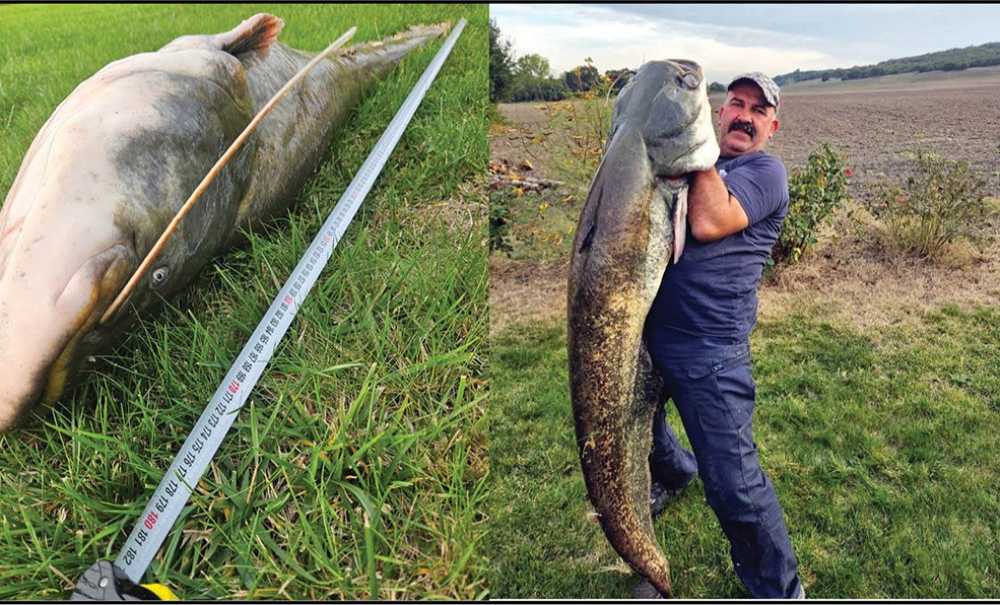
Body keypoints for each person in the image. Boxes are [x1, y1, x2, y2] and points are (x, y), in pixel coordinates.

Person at [641, 72, 804, 599]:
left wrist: (695, 148)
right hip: (651, 333)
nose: (744, 116)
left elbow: (710, 221)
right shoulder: (697, 167)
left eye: (758, 110)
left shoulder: (766, 172)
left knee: (735, 484)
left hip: (709, 349)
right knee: (640, 428)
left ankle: (779, 590)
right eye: (736, 103)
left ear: (772, 127)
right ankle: (673, 472)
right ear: (720, 111)